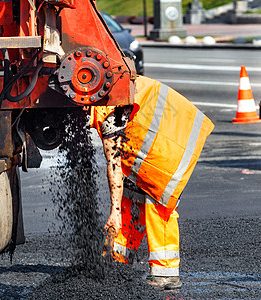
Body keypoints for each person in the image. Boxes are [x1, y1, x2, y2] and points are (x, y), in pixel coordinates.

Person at [89, 76, 214, 289]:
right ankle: (118, 260)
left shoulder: (108, 113)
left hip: (168, 148)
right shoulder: (106, 87)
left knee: (158, 203)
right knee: (132, 197)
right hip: (156, 144)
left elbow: (114, 164)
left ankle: (166, 273)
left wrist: (114, 212)